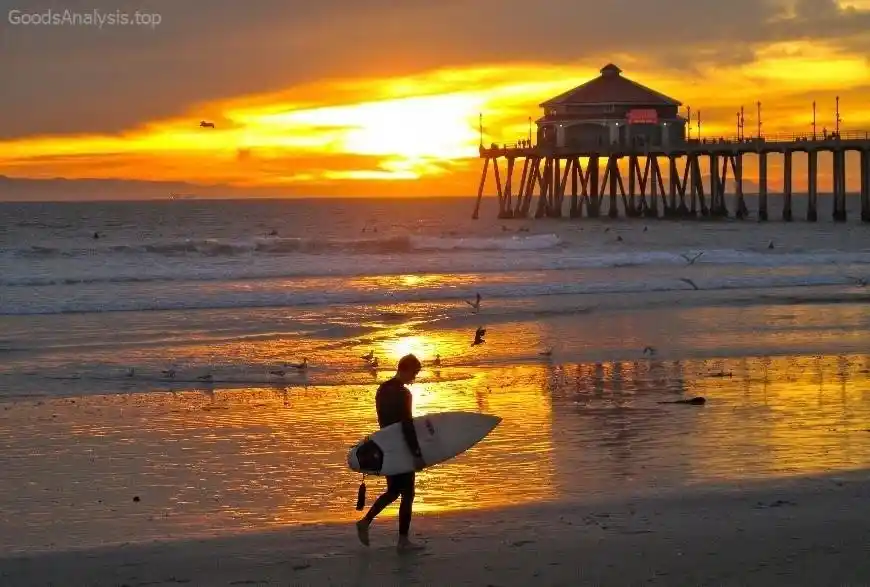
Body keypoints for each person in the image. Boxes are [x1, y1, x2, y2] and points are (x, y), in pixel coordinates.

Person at [356, 354, 426, 551]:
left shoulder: (382, 389)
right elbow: (407, 426)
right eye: (414, 373)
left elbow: (385, 421)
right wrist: (417, 454)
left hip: (386, 447)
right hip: (402, 448)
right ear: (405, 369)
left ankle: (365, 522)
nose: (414, 377)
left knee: (394, 491)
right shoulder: (404, 394)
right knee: (408, 494)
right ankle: (403, 542)